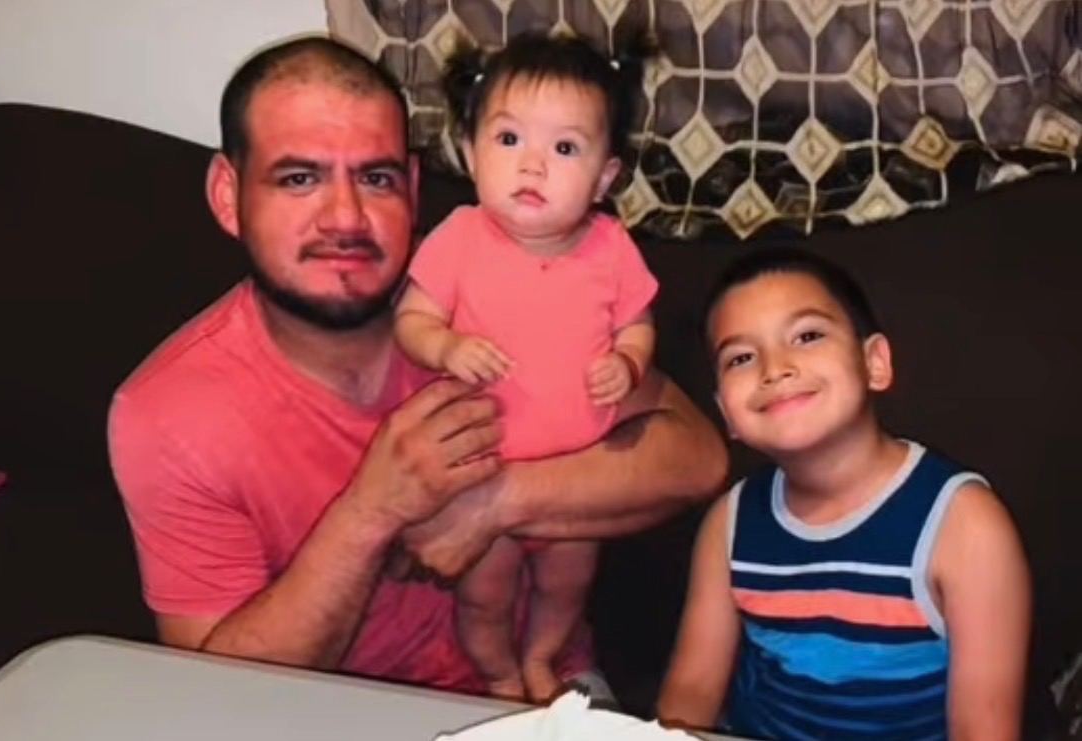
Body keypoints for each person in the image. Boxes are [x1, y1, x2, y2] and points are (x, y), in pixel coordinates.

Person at [106, 34, 729, 700]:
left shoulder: (492, 283)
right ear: (228, 194)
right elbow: (215, 695)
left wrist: (492, 503)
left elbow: (696, 458)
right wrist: (371, 513)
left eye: (375, 178)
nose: (345, 218)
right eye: (299, 178)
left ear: (411, 185)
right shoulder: (169, 415)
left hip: (546, 690)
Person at [658, 248, 1031, 740]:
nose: (775, 368)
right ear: (726, 413)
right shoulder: (729, 523)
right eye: (741, 358)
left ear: (874, 362)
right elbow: (691, 691)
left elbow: (983, 729)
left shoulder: (964, 526)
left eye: (807, 336)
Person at [393, 32, 658, 703]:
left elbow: (637, 323)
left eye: (564, 148)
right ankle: (498, 672)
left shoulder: (611, 246)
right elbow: (411, 320)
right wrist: (445, 347)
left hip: (577, 479)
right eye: (509, 139)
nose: (532, 165)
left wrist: (629, 362)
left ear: (604, 178)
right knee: (485, 591)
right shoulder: (459, 236)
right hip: (481, 472)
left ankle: (541, 657)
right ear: (469, 151)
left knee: (567, 586)